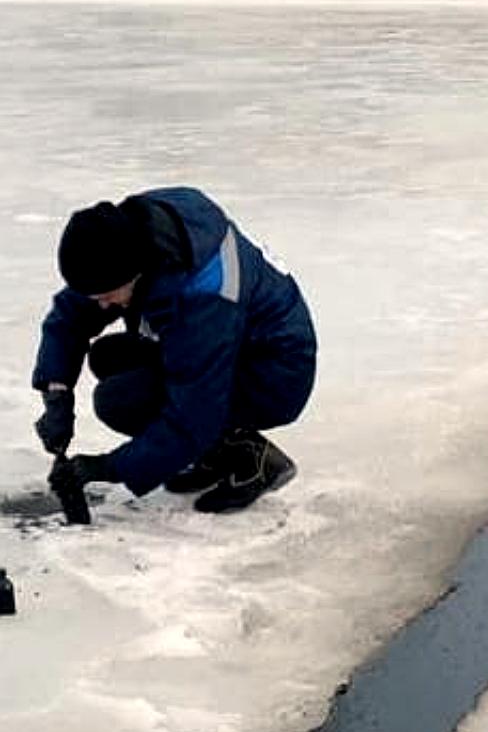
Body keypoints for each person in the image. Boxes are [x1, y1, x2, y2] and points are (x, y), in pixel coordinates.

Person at [32, 186, 317, 514]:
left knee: (121, 401)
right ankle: (214, 454)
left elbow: (194, 413)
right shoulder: (132, 235)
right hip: (226, 348)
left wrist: (109, 468)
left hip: (274, 373)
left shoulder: (206, 294)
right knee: (109, 357)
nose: (102, 304)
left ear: (134, 272)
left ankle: (253, 460)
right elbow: (72, 316)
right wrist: (57, 393)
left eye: (107, 294)